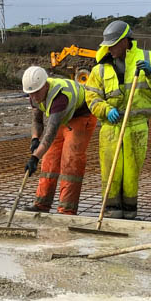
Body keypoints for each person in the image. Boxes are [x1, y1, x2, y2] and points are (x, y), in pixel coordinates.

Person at [84, 21, 151, 219]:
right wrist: (106, 110)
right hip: (111, 127)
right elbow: (91, 97)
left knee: (131, 173)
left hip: (137, 127)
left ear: (125, 41)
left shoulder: (150, 58)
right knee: (110, 172)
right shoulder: (100, 67)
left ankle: (130, 212)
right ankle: (111, 210)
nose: (109, 49)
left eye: (113, 45)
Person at [20, 66, 97, 214]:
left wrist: (35, 157)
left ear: (45, 85)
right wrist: (35, 139)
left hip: (82, 116)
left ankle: (67, 209)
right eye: (30, 94)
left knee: (70, 161)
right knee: (49, 159)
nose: (34, 97)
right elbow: (37, 121)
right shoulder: (34, 94)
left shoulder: (60, 98)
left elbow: (50, 133)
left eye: (36, 92)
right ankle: (41, 204)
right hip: (63, 117)